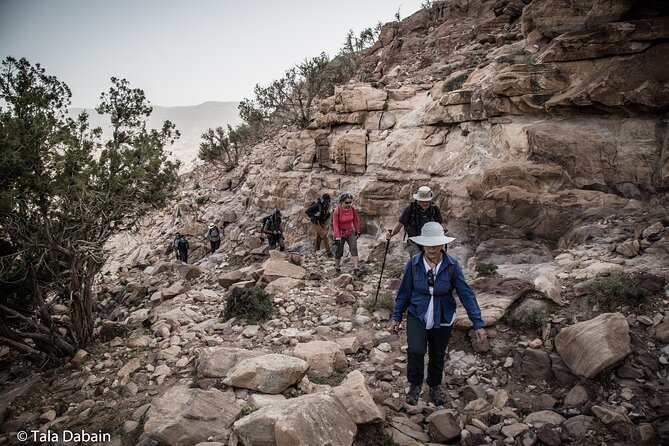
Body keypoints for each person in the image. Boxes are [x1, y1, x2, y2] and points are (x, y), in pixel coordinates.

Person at [390, 222, 487, 406]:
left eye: (436, 245)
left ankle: (434, 385)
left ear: (442, 244)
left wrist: (478, 323)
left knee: (437, 353)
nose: (432, 249)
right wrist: (396, 316)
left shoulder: (452, 266)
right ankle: (415, 384)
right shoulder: (413, 264)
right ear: (422, 244)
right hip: (418, 313)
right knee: (416, 350)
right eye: (428, 245)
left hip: (443, 315)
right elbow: (403, 292)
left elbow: (466, 294)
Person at [386, 185, 445, 258]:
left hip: (429, 241)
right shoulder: (410, 209)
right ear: (418, 200)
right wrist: (391, 234)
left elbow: (440, 223)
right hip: (413, 241)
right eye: (422, 201)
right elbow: (400, 223)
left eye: (426, 201)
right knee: (417, 260)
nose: (424, 203)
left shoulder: (434, 209)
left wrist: (444, 233)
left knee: (432, 260)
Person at [332, 192, 362, 277]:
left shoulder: (352, 209)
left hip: (350, 231)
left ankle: (356, 269)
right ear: (342, 202)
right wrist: (337, 237)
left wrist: (357, 230)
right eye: (347, 202)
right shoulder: (337, 211)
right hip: (341, 233)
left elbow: (355, 220)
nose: (349, 204)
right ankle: (337, 268)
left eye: (350, 202)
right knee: (339, 251)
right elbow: (335, 224)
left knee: (354, 248)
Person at [305, 193, 333, 257]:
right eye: (326, 201)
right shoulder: (316, 205)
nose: (327, 203)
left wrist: (328, 214)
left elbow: (325, 215)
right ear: (323, 200)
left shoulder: (327, 205)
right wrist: (314, 215)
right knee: (324, 234)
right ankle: (329, 253)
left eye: (328, 201)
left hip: (321, 222)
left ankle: (316, 252)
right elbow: (306, 211)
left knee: (319, 238)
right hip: (315, 222)